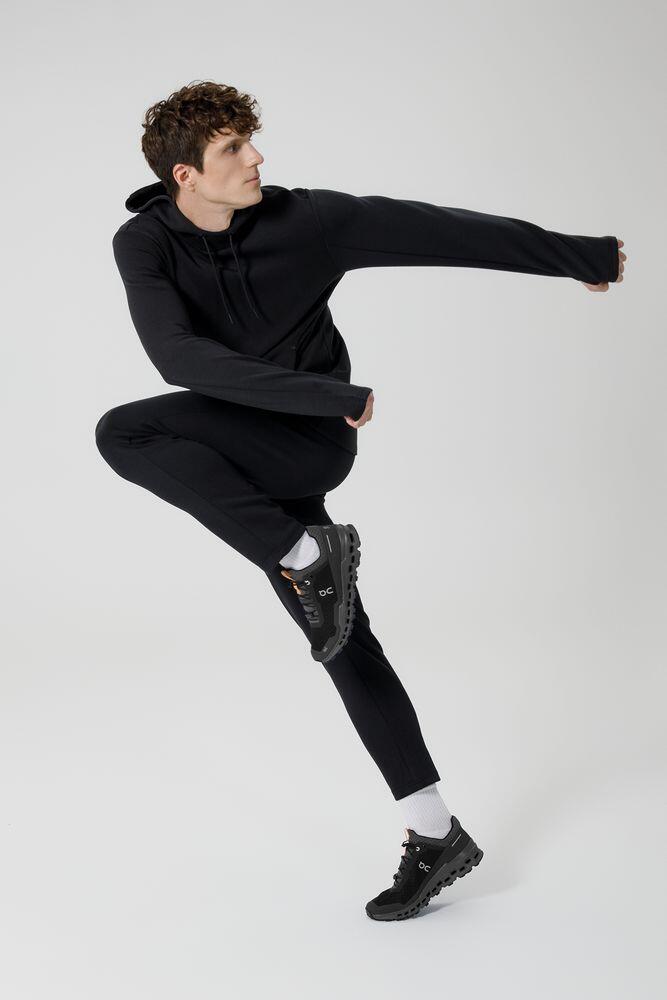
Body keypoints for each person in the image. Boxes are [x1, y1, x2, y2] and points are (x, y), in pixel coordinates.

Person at [95, 80, 626, 921]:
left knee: (126, 432)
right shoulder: (144, 243)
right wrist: (324, 392)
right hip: (258, 435)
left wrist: (580, 257)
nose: (257, 158)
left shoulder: (308, 221)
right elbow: (178, 360)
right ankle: (435, 830)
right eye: (233, 148)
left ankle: (305, 556)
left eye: (250, 140)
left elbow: (441, 231)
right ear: (184, 175)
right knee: (339, 636)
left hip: (310, 445)